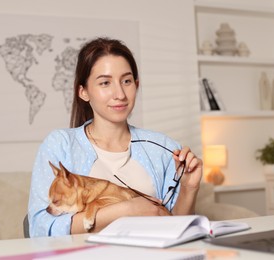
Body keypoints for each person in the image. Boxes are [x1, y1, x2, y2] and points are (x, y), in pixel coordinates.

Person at [28, 37, 203, 237]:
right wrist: (127, 210)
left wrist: (189, 187)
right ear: (83, 92)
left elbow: (176, 228)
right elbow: (40, 229)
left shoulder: (163, 147)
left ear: (136, 85)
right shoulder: (60, 145)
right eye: (105, 82)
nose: (119, 93)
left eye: (126, 81)